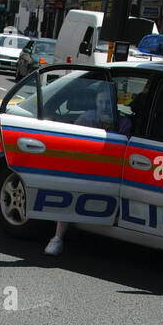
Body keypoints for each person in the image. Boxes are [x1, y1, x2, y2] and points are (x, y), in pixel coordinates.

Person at [45, 84, 133, 257]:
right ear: (96, 102)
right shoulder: (86, 119)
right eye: (101, 102)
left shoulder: (124, 124)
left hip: (112, 173)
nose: (105, 106)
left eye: (108, 102)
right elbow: (74, 148)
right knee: (70, 190)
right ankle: (57, 238)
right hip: (86, 170)